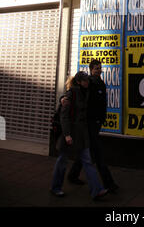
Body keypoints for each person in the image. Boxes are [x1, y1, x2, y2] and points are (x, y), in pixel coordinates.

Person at [50, 71, 108, 200]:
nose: (87, 82)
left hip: (82, 134)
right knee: (62, 161)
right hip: (70, 132)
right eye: (85, 80)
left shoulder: (86, 91)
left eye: (88, 80)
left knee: (87, 161)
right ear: (79, 82)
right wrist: (66, 134)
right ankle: (56, 187)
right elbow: (64, 115)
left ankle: (97, 190)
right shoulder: (72, 93)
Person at [66, 60, 119, 193]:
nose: (99, 70)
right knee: (97, 152)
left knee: (86, 150)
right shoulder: (89, 83)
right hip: (89, 122)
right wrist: (63, 97)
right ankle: (109, 183)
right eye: (96, 68)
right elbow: (74, 92)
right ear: (91, 70)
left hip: (97, 122)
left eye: (100, 68)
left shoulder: (100, 82)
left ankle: (73, 175)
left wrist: (102, 118)